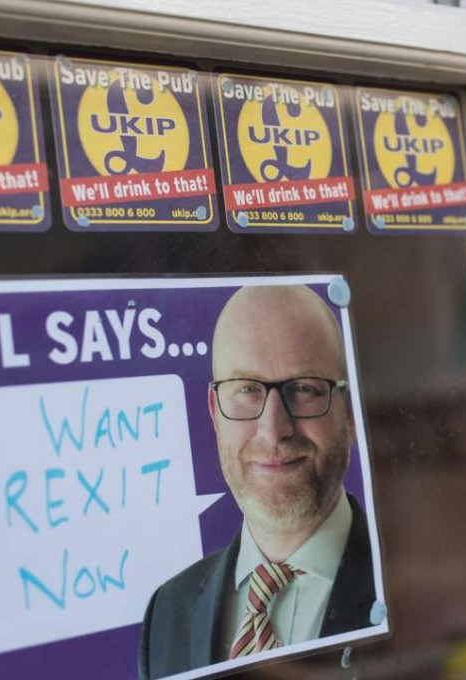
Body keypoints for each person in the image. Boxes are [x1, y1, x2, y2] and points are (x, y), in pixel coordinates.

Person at [138, 284, 376, 679]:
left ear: (349, 412)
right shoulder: (168, 611)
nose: (273, 430)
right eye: (246, 390)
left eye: (302, 388)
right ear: (215, 412)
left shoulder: (416, 591)